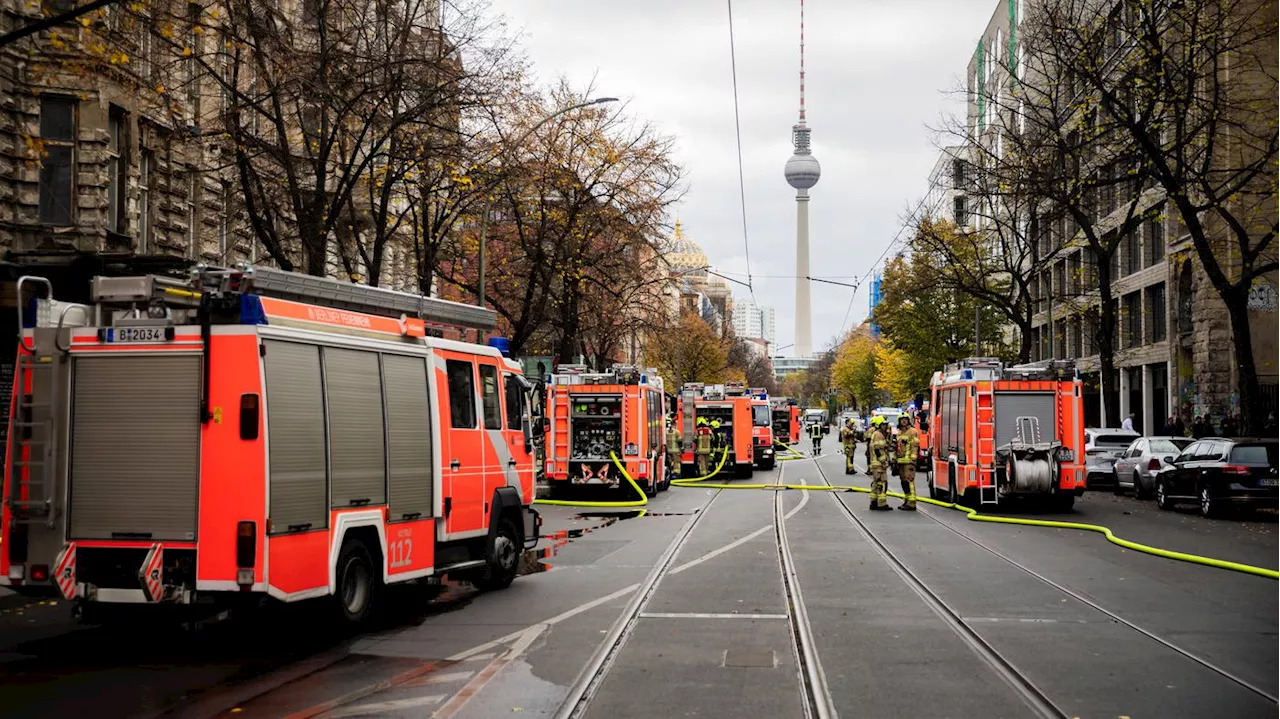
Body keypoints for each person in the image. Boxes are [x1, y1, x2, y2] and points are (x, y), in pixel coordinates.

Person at [867, 416, 893, 511]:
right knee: (882, 483)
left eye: (886, 425)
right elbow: (878, 449)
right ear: (879, 425)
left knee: (875, 483)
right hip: (879, 464)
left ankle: (873, 502)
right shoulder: (878, 435)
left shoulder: (877, 434)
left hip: (875, 463)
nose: (885, 427)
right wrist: (884, 461)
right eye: (883, 425)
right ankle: (882, 504)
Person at [894, 415, 920, 511]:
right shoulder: (899, 433)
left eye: (905, 420)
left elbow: (915, 446)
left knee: (909, 481)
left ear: (908, 421)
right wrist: (894, 460)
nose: (904, 422)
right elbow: (897, 447)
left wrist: (913, 459)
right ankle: (907, 499)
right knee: (903, 482)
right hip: (901, 462)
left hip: (909, 461)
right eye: (902, 420)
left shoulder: (913, 432)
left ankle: (912, 502)